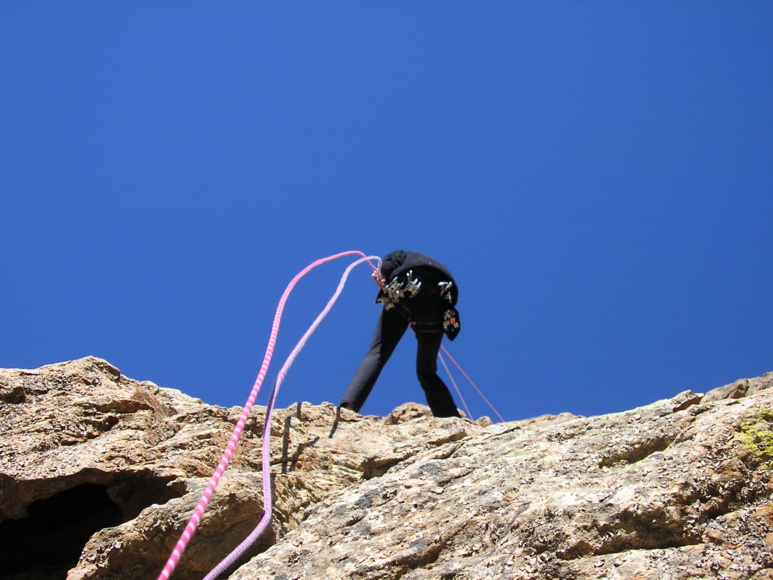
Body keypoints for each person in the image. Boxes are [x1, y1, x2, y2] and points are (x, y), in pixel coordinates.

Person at [339, 250, 462, 418]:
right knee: (427, 372)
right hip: (440, 305)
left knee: (378, 352)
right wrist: (419, 320)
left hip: (406, 289)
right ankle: (449, 417)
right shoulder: (435, 267)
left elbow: (389, 263)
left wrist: (381, 274)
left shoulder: (402, 255)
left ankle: (349, 407)